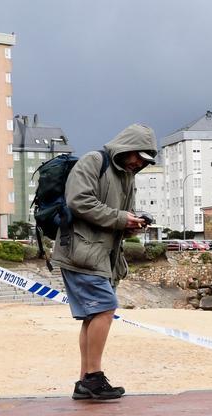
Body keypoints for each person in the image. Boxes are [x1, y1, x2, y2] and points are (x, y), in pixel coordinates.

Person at [51, 123, 157, 400]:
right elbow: (79, 201)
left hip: (101, 254)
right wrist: (122, 218)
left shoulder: (127, 176)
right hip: (82, 250)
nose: (139, 163)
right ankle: (93, 378)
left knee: (93, 314)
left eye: (145, 161)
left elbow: (118, 214)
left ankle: (86, 379)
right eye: (139, 157)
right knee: (105, 309)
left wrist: (131, 224)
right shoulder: (93, 162)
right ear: (128, 147)